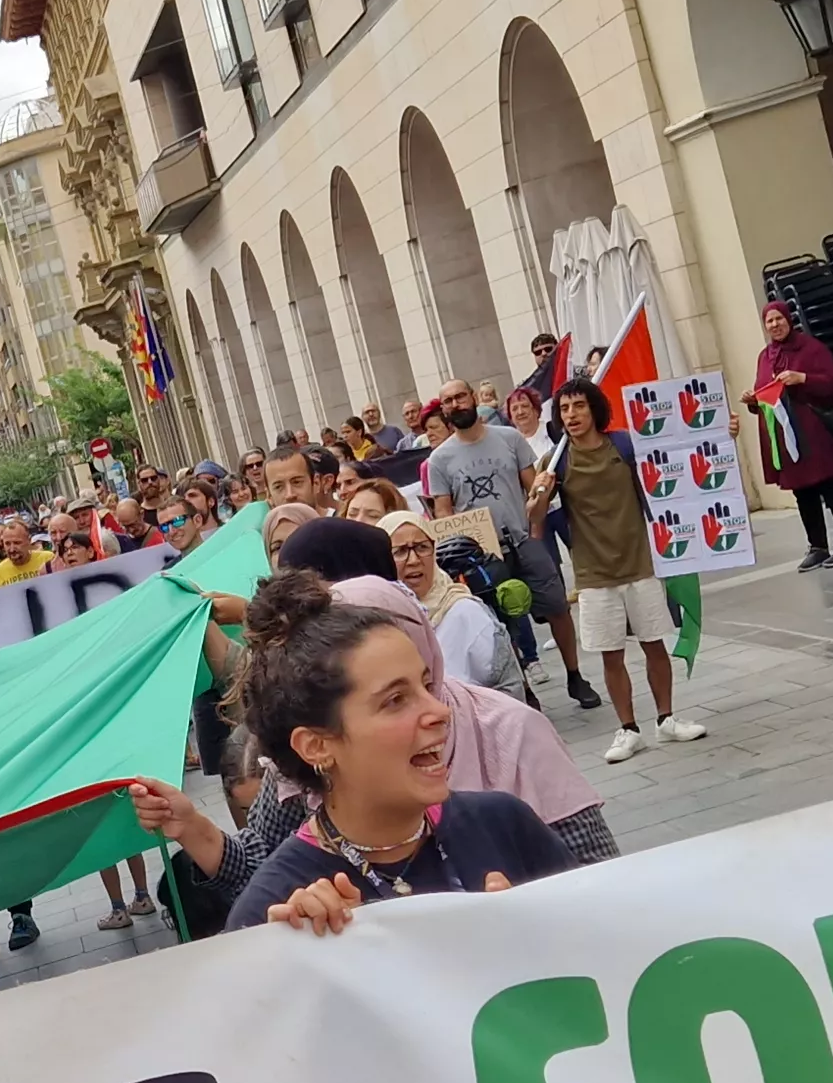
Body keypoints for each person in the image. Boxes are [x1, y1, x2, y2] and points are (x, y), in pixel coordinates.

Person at [226, 570, 596, 933]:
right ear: (317, 746)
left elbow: (608, 951)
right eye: (396, 700)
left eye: (426, 684)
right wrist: (303, 961)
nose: (439, 711)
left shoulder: (505, 824)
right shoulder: (278, 911)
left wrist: (536, 934)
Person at [553, 377, 709, 761]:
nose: (571, 415)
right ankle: (628, 729)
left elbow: (676, 463)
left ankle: (666, 720)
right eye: (564, 409)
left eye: (578, 406)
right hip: (594, 574)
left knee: (655, 644)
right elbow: (537, 519)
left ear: (594, 408)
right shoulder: (557, 461)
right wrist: (540, 492)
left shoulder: (624, 444)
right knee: (611, 654)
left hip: (641, 563)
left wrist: (724, 433)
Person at [419, 375, 579, 685]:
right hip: (482, 556)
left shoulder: (509, 438)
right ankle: (522, 686)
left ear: (473, 399)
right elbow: (444, 511)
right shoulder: (439, 459)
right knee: (501, 623)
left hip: (523, 540)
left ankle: (574, 675)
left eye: (460, 397)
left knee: (557, 607)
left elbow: (534, 490)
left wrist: (537, 524)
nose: (455, 404)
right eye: (448, 401)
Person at [753, 301, 833, 569]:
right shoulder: (765, 356)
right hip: (786, 435)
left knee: (832, 484)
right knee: (803, 492)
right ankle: (818, 546)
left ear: (789, 319)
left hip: (814, 428)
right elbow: (764, 391)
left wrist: (802, 378)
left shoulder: (811, 348)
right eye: (769, 321)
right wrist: (752, 400)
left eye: (779, 319)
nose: (775, 325)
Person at [381, 513, 514, 690]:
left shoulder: (465, 612)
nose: (413, 560)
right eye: (400, 551)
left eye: (422, 547)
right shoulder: (378, 619)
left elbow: (507, 685)